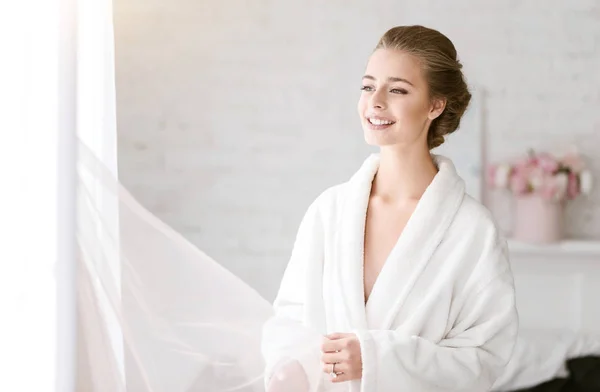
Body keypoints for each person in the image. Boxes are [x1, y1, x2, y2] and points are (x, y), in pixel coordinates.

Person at [261, 25, 519, 392]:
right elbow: (289, 319)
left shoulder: (473, 230)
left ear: (435, 104)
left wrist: (377, 359)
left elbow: (484, 358)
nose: (376, 101)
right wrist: (290, 368)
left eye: (397, 89)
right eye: (368, 86)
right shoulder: (329, 211)